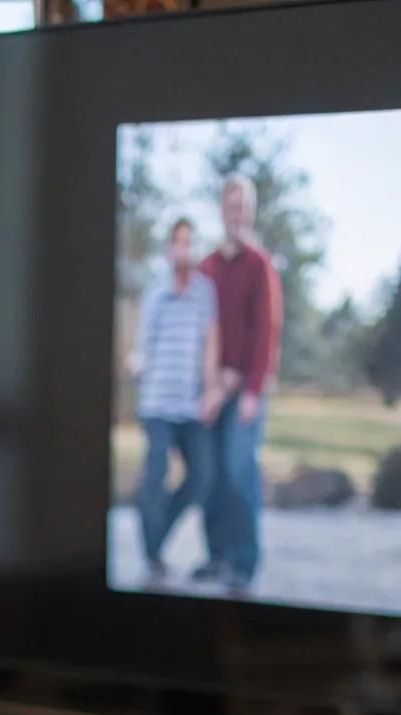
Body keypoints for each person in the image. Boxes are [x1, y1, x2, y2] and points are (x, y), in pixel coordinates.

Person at [196, 174, 283, 594]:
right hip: (211, 391)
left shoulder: (260, 264)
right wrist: (207, 387)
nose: (239, 213)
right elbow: (199, 328)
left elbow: (268, 329)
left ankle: (242, 564)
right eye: (233, 206)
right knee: (210, 474)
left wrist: (252, 389)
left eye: (245, 207)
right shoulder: (207, 266)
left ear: (251, 211)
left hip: (246, 392)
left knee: (238, 470)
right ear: (222, 209)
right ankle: (215, 555)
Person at [131, 217, 222, 581]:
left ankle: (156, 540)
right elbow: (143, 343)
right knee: (154, 476)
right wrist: (137, 361)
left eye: (190, 242)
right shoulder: (156, 292)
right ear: (170, 248)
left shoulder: (204, 292)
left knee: (202, 476)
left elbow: (210, 344)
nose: (184, 249)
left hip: (190, 405)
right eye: (178, 242)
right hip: (156, 403)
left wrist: (212, 390)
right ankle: (152, 555)